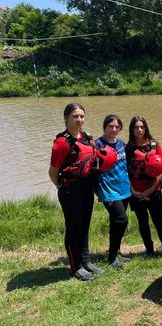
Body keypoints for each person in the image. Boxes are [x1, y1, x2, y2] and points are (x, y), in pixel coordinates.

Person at [49, 103, 100, 281]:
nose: (79, 120)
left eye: (81, 116)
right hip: (71, 190)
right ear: (66, 118)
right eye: (75, 116)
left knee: (84, 225)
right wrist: (61, 186)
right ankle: (75, 266)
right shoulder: (62, 143)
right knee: (74, 228)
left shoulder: (87, 137)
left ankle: (86, 261)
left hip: (87, 188)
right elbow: (53, 172)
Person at [126, 116, 162, 257]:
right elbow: (124, 171)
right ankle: (149, 250)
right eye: (136, 127)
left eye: (142, 127)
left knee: (159, 221)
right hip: (136, 192)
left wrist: (150, 190)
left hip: (154, 191)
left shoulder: (155, 145)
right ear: (132, 129)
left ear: (146, 128)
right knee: (142, 221)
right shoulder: (128, 148)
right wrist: (133, 190)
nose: (139, 130)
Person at [95, 115, 131, 269]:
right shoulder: (97, 144)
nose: (114, 129)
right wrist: (96, 190)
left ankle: (116, 252)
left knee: (115, 223)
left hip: (124, 188)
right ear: (105, 127)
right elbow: (93, 169)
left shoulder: (122, 143)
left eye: (117, 126)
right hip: (108, 189)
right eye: (111, 126)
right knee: (122, 220)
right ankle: (111, 258)